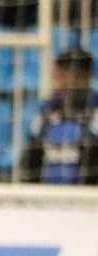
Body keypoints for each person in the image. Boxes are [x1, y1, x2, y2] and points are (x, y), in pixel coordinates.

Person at [20, 46, 98, 185]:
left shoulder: (95, 114)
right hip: (47, 199)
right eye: (56, 76)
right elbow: (29, 162)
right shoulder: (45, 113)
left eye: (61, 76)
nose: (56, 83)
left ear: (84, 78)